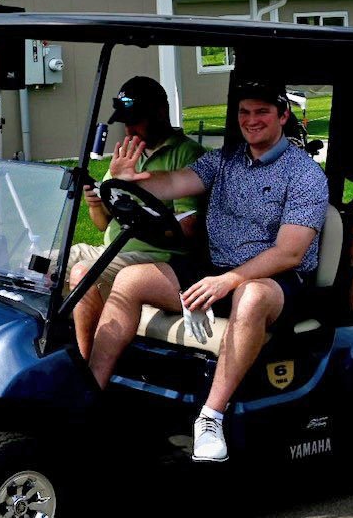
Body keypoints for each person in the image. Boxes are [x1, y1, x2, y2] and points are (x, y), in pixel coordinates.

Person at [87, 79, 328, 462]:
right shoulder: (225, 159)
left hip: (275, 282)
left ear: (283, 115)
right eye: (245, 112)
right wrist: (126, 180)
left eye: (262, 112)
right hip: (216, 270)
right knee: (130, 279)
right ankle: (90, 397)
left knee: (250, 298)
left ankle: (210, 418)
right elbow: (174, 182)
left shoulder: (305, 175)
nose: (252, 120)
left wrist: (229, 280)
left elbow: (289, 253)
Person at [67, 76, 207, 359]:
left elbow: (187, 231)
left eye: (136, 120)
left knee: (83, 274)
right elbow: (102, 224)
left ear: (159, 113)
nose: (129, 129)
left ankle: (82, 366)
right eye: (126, 122)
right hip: (113, 248)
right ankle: (45, 348)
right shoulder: (130, 153)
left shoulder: (187, 155)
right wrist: (95, 203)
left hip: (155, 257)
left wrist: (138, 213)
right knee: (40, 263)